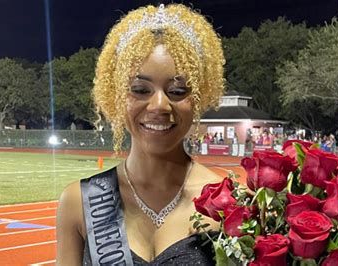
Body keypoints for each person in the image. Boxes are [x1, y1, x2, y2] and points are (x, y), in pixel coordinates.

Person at [56, 4, 225, 265]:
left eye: (178, 91)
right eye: (140, 89)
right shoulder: (78, 202)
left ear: (199, 98)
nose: (159, 105)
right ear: (116, 96)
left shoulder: (227, 203)